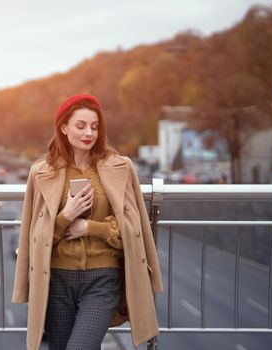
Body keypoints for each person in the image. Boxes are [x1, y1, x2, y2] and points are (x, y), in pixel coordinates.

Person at [12, 94, 163, 350]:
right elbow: (34, 234)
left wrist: (91, 228)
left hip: (102, 279)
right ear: (64, 127)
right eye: (80, 126)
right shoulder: (41, 172)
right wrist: (65, 217)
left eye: (94, 126)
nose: (89, 133)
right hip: (57, 280)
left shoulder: (120, 167)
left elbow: (132, 227)